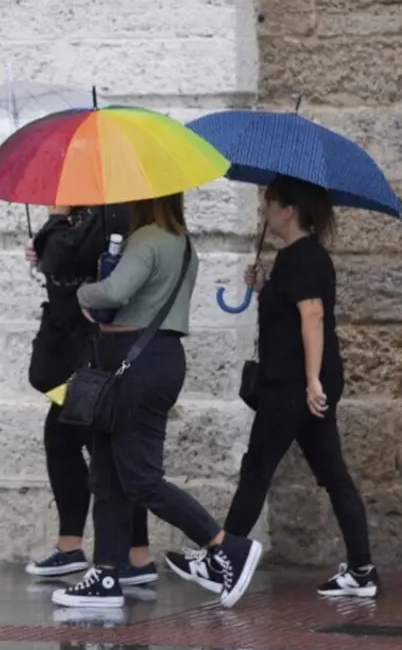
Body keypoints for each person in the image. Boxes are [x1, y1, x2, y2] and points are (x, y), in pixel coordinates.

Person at [165, 176, 379, 599]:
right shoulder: (301, 259)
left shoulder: (301, 258)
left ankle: (223, 558)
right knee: (333, 475)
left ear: (289, 211)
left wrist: (312, 380)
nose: (266, 213)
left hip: (292, 384)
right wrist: (265, 287)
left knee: (257, 467)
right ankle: (361, 569)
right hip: (300, 382)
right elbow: (294, 310)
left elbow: (312, 315)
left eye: (270, 205)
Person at [51, 193, 263, 611]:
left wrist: (81, 292)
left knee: (141, 478)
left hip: (137, 362)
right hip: (147, 360)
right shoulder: (181, 241)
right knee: (107, 476)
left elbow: (116, 290)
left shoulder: (148, 239)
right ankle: (106, 573)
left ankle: (226, 548)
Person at [23, 205, 158, 587]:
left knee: (104, 449)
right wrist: (46, 240)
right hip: (73, 352)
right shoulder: (86, 217)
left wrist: (53, 224)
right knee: (67, 441)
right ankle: (92, 549)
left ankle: (133, 556)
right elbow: (59, 257)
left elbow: (65, 255)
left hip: (93, 352)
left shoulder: (111, 213)